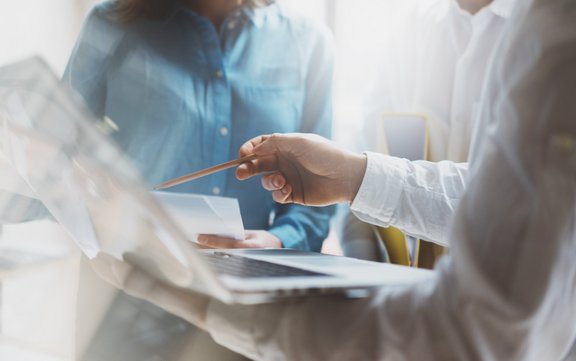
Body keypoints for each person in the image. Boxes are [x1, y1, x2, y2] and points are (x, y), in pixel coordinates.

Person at [92, 0, 576, 359]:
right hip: (133, 296)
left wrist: (223, 303)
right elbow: (498, 195)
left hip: (256, 306)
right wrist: (356, 175)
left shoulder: (554, 33)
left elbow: (481, 332)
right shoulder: (111, 25)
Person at [64, 0, 335, 252]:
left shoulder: (308, 42)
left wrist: (279, 241)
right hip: (124, 274)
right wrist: (88, 202)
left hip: (249, 288)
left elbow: (316, 191)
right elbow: (55, 151)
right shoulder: (110, 22)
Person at [342, 0, 517, 262]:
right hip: (413, 287)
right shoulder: (408, 30)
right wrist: (361, 257)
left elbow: (516, 197)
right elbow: (366, 146)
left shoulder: (551, 34)